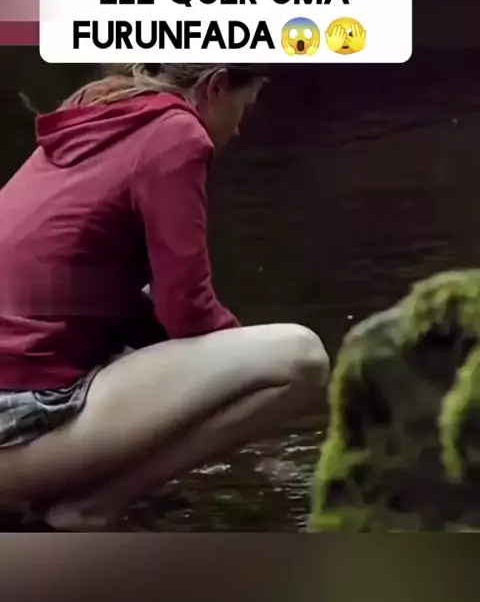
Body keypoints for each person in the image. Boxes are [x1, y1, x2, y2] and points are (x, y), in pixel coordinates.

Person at [0, 62, 329, 530]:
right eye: (243, 108)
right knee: (301, 357)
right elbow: (188, 311)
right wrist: (241, 384)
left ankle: (60, 491)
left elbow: (85, 286)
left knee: (145, 310)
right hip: (16, 429)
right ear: (215, 86)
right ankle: (91, 507)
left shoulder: (99, 114)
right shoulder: (176, 132)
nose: (238, 129)